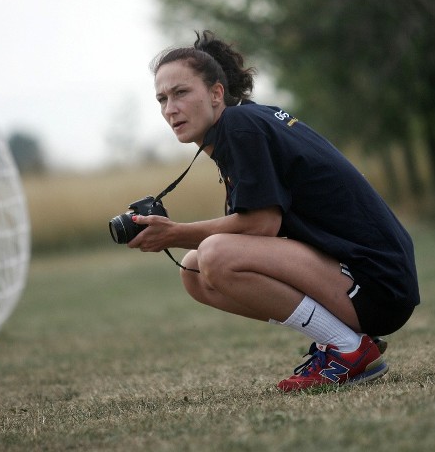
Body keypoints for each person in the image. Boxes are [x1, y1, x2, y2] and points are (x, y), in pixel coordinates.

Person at [128, 30, 419, 392]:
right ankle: (343, 341)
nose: (170, 109)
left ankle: (348, 349)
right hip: (367, 278)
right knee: (193, 269)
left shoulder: (239, 126)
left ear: (217, 93)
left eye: (181, 93)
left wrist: (174, 232)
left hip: (377, 284)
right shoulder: (246, 121)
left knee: (216, 254)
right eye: (162, 99)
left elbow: (263, 225)